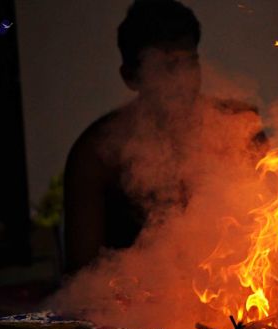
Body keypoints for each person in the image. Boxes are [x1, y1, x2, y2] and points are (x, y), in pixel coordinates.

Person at [63, 0, 266, 274]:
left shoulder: (237, 128)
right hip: (139, 296)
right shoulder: (99, 153)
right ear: (131, 77)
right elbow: (82, 273)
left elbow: (269, 227)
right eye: (167, 67)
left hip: (233, 288)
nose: (183, 80)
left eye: (190, 63)